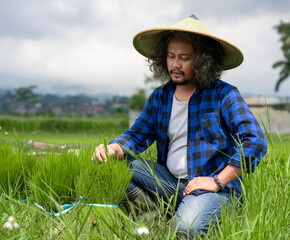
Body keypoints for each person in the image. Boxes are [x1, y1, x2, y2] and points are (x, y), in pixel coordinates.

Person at [92, 15, 268, 237]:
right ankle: (155, 218)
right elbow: (136, 136)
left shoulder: (225, 94)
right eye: (171, 56)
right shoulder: (160, 97)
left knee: (186, 229)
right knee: (114, 167)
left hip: (211, 189)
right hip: (169, 183)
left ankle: (188, 215)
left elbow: (256, 141)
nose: (175, 64)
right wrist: (112, 148)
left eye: (184, 58)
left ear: (203, 60)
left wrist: (217, 181)